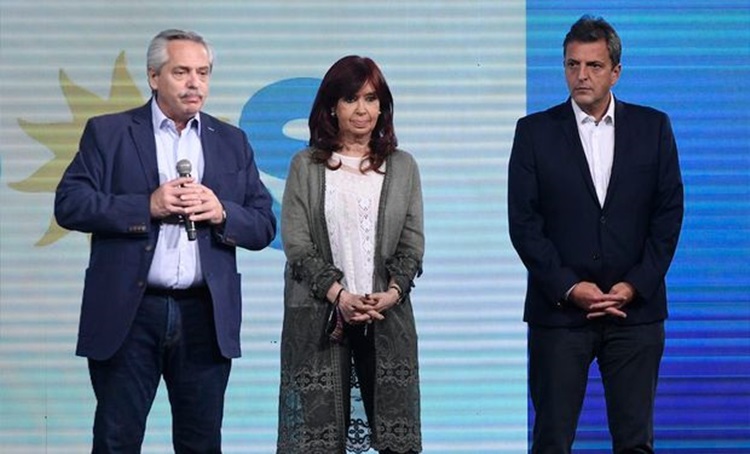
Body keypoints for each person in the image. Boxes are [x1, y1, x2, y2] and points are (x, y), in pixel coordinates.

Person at [54, 29, 276, 452]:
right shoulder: (109, 133)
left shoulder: (231, 141)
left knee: (201, 443)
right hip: (130, 313)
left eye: (203, 73)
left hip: (204, 314)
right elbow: (70, 204)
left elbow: (264, 224)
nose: (195, 83)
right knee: (117, 440)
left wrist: (222, 212)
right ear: (154, 76)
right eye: (181, 72)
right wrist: (147, 206)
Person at [507, 15, 684, 454]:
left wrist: (634, 285)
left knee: (635, 442)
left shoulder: (653, 127)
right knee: (551, 441)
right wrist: (569, 287)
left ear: (615, 71)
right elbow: (524, 223)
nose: (581, 75)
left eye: (594, 65)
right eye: (572, 65)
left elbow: (667, 216)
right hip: (559, 314)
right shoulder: (534, 132)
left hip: (634, 314)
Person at [276, 55, 424, 454]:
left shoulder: (403, 167)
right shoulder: (306, 165)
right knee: (316, 443)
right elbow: (297, 244)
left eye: (371, 99)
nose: (362, 110)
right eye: (351, 99)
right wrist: (339, 296)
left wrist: (392, 293)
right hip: (319, 320)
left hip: (386, 317)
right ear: (331, 107)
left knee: (396, 441)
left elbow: (411, 244)